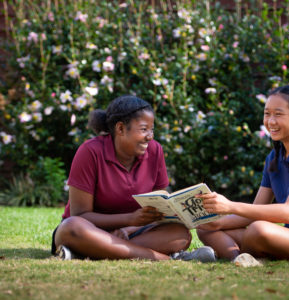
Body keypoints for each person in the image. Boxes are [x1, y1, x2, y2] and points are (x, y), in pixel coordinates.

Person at [52, 95, 215, 262]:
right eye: (144, 129)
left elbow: (158, 208)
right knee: (71, 228)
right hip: (91, 230)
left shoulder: (155, 150)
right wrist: (129, 219)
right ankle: (163, 258)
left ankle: (89, 252)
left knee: (180, 234)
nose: (150, 136)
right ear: (121, 128)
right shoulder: (90, 152)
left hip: (132, 232)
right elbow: (80, 215)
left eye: (152, 129)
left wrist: (129, 228)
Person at [196, 85, 289, 264]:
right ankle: (240, 260)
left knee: (258, 230)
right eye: (267, 114)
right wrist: (217, 222)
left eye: (278, 114)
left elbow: (288, 213)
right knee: (205, 228)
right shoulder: (274, 158)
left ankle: (246, 256)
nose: (271, 121)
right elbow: (257, 210)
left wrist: (229, 206)